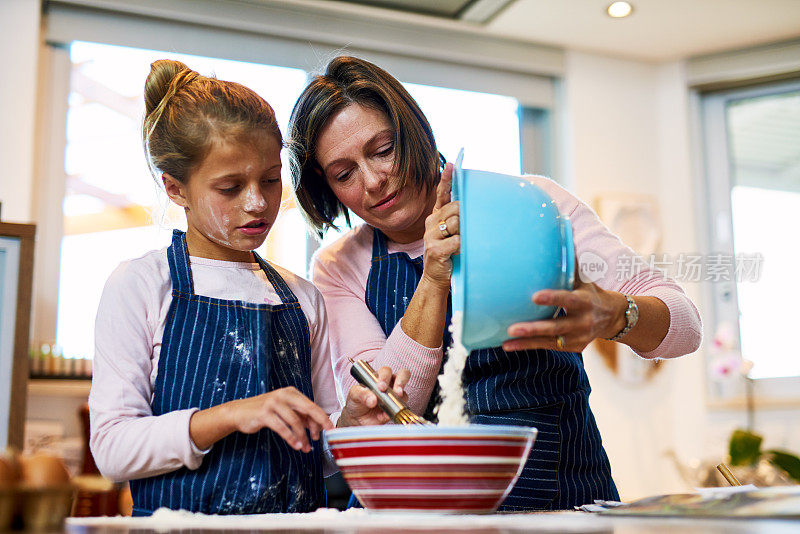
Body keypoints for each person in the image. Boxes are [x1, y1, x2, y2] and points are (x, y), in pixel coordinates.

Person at [286, 56, 703, 511]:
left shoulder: (533, 206)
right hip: (416, 512)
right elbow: (384, 411)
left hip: (560, 503)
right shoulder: (340, 265)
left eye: (384, 149)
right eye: (344, 174)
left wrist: (617, 314)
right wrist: (434, 278)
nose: (373, 180)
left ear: (414, 131)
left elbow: (685, 327)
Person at [89, 59, 409, 516]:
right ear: (176, 189)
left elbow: (318, 455)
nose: (257, 202)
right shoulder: (142, 285)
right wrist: (231, 415)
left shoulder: (302, 298)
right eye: (230, 187)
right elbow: (112, 449)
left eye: (271, 180)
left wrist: (351, 425)